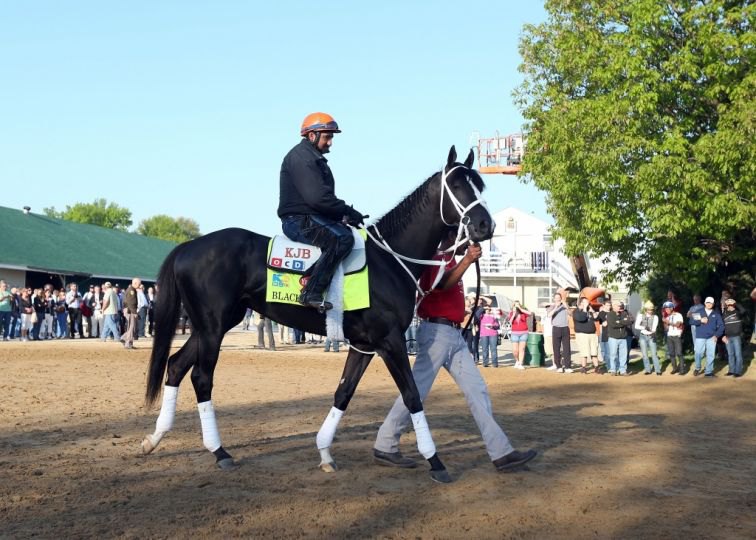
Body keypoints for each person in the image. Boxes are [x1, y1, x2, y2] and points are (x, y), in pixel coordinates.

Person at [372, 228, 536, 473]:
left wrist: (465, 259)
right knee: (415, 391)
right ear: (451, 238)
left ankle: (501, 452)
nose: (467, 243)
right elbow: (441, 285)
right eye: (462, 238)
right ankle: (385, 443)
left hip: (452, 335)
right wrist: (468, 260)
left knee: (476, 390)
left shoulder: (450, 260)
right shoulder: (434, 258)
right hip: (437, 333)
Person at [278, 112, 364, 310]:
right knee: (343, 239)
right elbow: (318, 199)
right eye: (328, 136)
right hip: (299, 220)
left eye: (331, 137)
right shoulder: (303, 158)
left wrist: (342, 215)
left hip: (310, 217)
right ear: (312, 135)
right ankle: (311, 292)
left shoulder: (311, 157)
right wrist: (347, 212)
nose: (331, 142)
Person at [690, 296, 724, 377]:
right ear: (705, 303)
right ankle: (698, 368)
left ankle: (708, 371)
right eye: (708, 302)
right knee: (698, 353)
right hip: (700, 336)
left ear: (713, 304)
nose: (709, 304)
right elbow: (691, 321)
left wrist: (716, 335)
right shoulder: (699, 312)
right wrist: (700, 320)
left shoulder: (716, 314)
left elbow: (721, 326)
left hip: (711, 337)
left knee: (711, 354)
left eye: (711, 303)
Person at [606, 300, 634, 376]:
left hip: (623, 338)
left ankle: (623, 370)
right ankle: (613, 370)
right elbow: (613, 324)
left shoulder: (624, 313)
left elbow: (628, 322)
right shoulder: (610, 314)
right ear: (614, 306)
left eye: (620, 306)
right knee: (613, 354)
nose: (620, 307)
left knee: (623, 355)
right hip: (613, 338)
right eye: (618, 306)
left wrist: (619, 322)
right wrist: (622, 322)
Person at [573, 297, 600, 374]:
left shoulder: (589, 310)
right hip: (582, 334)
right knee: (584, 352)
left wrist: (593, 311)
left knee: (594, 352)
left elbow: (596, 318)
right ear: (581, 303)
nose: (588, 303)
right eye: (585, 302)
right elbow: (581, 318)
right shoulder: (576, 311)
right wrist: (584, 308)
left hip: (592, 334)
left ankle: (596, 367)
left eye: (588, 302)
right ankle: (583, 368)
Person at [547, 291, 572, 373]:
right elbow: (549, 315)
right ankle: (558, 366)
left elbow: (571, 314)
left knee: (567, 348)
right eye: (556, 298)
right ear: (554, 299)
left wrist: (566, 306)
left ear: (561, 299)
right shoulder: (551, 306)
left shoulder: (564, 306)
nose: (558, 299)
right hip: (556, 328)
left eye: (559, 298)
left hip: (565, 327)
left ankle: (568, 366)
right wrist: (555, 307)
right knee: (556, 348)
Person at [635, 301, 661, 375]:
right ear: (646, 309)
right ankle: (648, 370)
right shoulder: (640, 316)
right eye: (649, 309)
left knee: (654, 354)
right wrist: (644, 327)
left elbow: (654, 328)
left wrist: (652, 331)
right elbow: (636, 326)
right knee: (644, 354)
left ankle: (658, 370)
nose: (651, 311)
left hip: (651, 336)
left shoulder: (655, 317)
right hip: (643, 336)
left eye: (652, 309)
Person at [722, 298, 745, 377]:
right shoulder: (724, 313)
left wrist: (736, 302)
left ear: (734, 305)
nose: (730, 306)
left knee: (738, 354)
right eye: (729, 304)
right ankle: (731, 370)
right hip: (728, 337)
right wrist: (723, 336)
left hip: (736, 336)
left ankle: (738, 372)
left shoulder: (737, 312)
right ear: (727, 305)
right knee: (730, 354)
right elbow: (722, 326)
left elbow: (743, 311)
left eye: (732, 304)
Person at [661, 301, 685, 375]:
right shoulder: (667, 317)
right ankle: (674, 368)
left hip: (677, 336)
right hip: (669, 336)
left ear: (671, 308)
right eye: (665, 309)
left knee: (679, 353)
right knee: (671, 353)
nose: (666, 310)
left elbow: (678, 325)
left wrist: (668, 322)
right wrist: (664, 323)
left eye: (667, 309)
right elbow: (666, 329)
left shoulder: (678, 315)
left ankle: (682, 370)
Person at [507, 301, 530, 369]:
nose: (516, 307)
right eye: (515, 305)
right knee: (515, 350)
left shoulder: (523, 313)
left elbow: (530, 313)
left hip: (524, 332)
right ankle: (517, 361)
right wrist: (514, 313)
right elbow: (510, 321)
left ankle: (520, 363)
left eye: (518, 305)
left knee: (522, 349)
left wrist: (520, 308)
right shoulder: (511, 313)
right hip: (515, 333)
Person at [480, 303, 501, 368]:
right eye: (486, 309)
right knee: (484, 349)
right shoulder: (481, 316)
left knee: (493, 349)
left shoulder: (493, 316)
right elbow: (476, 315)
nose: (487, 310)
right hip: (484, 334)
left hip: (493, 334)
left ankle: (494, 363)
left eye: (489, 309)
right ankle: (485, 362)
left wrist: (493, 325)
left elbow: (497, 326)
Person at [121, 278, 140, 349]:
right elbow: (131, 303)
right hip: (130, 310)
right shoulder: (131, 290)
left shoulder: (132, 290)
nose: (140, 285)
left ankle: (124, 338)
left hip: (130, 309)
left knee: (132, 327)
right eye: (139, 284)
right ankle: (128, 343)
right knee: (131, 327)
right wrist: (134, 312)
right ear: (135, 283)